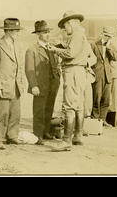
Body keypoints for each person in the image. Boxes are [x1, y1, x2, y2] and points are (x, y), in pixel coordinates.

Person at [48, 11, 92, 150]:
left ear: (71, 23)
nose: (64, 29)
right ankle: (77, 136)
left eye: (65, 26)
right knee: (78, 105)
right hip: (79, 72)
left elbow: (71, 53)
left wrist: (55, 50)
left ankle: (66, 140)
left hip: (72, 71)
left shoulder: (77, 35)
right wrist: (61, 46)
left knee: (68, 106)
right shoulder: (81, 35)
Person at [0, 18, 26, 149]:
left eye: (18, 30)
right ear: (7, 31)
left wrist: (21, 83)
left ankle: (12, 136)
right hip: (2, 87)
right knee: (1, 114)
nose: (17, 33)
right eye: (15, 30)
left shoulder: (17, 45)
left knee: (15, 113)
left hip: (15, 87)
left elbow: (20, 67)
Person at [25, 20, 60, 145]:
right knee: (39, 110)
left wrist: (57, 77)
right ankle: (37, 134)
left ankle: (45, 132)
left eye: (48, 32)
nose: (47, 35)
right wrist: (33, 85)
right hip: (40, 85)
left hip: (53, 83)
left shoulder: (51, 47)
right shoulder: (32, 50)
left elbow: (56, 64)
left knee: (49, 108)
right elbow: (29, 70)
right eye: (44, 32)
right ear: (38, 34)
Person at [90, 26, 117, 126]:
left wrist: (109, 47)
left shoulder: (111, 45)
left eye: (110, 36)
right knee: (96, 99)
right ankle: (95, 121)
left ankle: (102, 120)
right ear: (102, 34)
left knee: (106, 100)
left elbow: (116, 58)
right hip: (97, 75)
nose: (108, 38)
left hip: (108, 75)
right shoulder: (94, 44)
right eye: (106, 36)